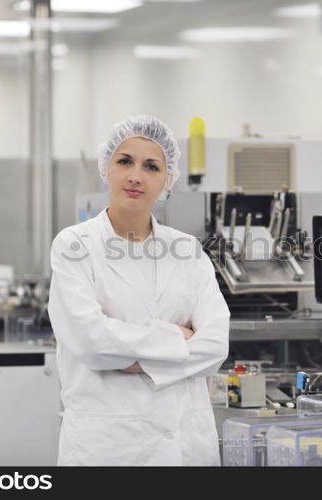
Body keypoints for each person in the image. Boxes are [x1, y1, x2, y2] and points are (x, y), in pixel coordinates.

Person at [48, 115, 230, 466]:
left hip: (185, 444)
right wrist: (180, 339)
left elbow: (216, 346)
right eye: (124, 161)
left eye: (151, 166)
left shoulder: (187, 250)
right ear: (105, 169)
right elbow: (93, 345)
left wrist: (131, 354)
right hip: (111, 447)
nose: (135, 176)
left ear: (168, 180)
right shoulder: (74, 245)